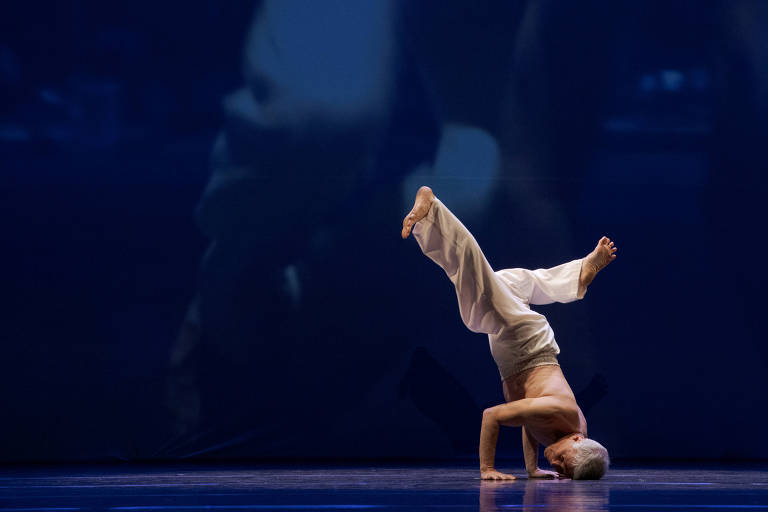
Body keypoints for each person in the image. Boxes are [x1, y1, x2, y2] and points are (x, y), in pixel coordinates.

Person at [401, 186, 615, 480]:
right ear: (577, 441)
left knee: (510, 284)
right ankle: (433, 209)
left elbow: (531, 421)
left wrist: (532, 468)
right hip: (524, 342)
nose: (558, 466)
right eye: (564, 462)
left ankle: (577, 275)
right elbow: (493, 415)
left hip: (521, 343)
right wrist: (487, 468)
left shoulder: (568, 431)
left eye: (562, 470)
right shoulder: (561, 409)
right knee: (477, 290)